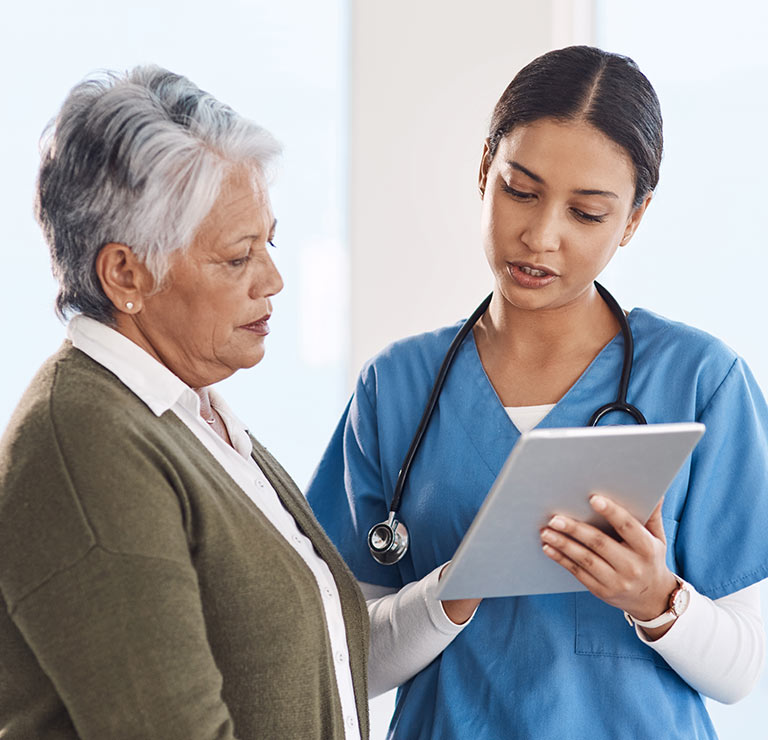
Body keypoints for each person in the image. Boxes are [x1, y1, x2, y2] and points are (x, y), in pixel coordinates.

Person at [306, 46, 768, 739]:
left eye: (586, 214)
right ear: (483, 167)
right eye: (520, 190)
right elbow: (343, 663)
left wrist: (653, 598)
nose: (540, 235)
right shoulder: (395, 387)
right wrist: (449, 593)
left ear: (633, 220)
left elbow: (743, 670)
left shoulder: (701, 381)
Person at [0, 66, 368, 740]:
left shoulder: (195, 418)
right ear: (125, 273)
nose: (274, 279)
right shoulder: (86, 440)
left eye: (270, 243)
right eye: (237, 258)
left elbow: (319, 666)